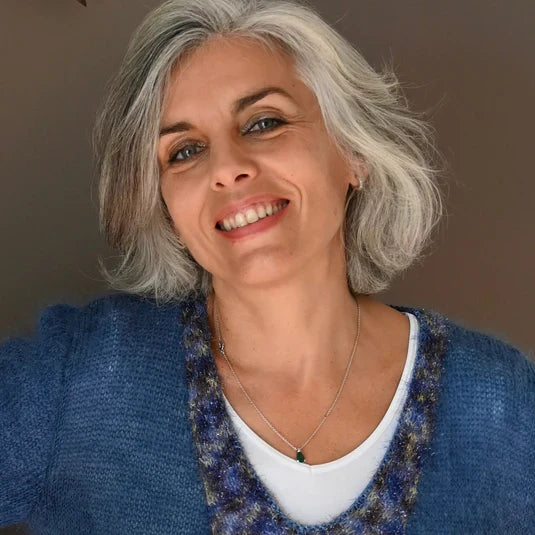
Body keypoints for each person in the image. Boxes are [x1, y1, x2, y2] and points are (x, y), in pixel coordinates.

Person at [1, 0, 534, 533]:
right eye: (185, 151)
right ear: (164, 205)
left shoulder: (503, 407)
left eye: (263, 122)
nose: (227, 168)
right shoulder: (79, 379)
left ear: (353, 151)